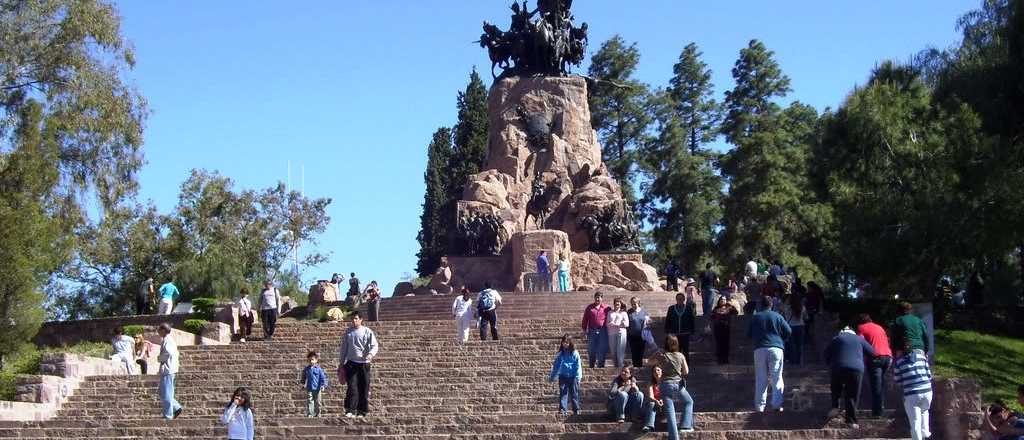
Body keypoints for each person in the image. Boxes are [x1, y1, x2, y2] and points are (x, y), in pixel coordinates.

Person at [824, 326, 876, 428]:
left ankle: (835, 406)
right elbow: (872, 352)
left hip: (837, 367)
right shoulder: (859, 339)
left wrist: (831, 364)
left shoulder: (836, 339)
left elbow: (826, 354)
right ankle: (851, 421)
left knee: (836, 387)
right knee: (852, 394)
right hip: (856, 368)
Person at [747, 299, 791, 412]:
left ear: (761, 305)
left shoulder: (756, 317)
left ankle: (760, 406)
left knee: (761, 378)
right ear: (771, 305)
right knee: (777, 377)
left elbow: (748, 334)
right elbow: (788, 331)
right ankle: (777, 405)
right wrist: (781, 340)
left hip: (760, 349)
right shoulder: (777, 316)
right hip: (776, 348)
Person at [648, 335, 695, 436]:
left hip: (665, 385)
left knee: (670, 413)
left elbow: (649, 361)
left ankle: (674, 438)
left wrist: (657, 353)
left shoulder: (662, 354)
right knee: (689, 402)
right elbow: (686, 371)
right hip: (678, 385)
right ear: (676, 343)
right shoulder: (680, 355)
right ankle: (685, 426)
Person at [338, 311, 379, 418]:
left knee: (364, 388)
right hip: (351, 364)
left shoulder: (367, 331)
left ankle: (362, 411)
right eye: (353, 318)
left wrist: (370, 354)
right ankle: (349, 410)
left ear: (361, 320)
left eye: (356, 318)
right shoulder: (348, 332)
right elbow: (344, 349)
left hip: (364, 364)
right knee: (352, 387)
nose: (354, 320)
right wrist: (341, 363)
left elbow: (374, 345)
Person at [892, 341, 933, 440]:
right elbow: (929, 375)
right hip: (927, 391)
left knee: (915, 421)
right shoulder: (922, 357)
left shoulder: (899, 363)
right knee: (924, 412)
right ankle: (926, 435)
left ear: (901, 350)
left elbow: (898, 381)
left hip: (912, 394)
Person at [856, 313, 893, 417]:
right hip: (888, 357)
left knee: (876, 385)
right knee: (880, 384)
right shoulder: (879, 327)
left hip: (876, 358)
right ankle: (881, 406)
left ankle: (877, 412)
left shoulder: (861, 328)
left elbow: (859, 343)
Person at [548, 334, 582, 417]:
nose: (565, 344)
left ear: (570, 343)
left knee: (574, 394)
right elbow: (556, 366)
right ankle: (563, 409)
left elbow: (578, 366)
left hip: (573, 376)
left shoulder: (575, 353)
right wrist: (552, 377)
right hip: (563, 376)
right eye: (564, 342)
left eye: (567, 342)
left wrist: (578, 377)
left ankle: (576, 409)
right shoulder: (560, 354)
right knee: (563, 393)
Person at [157, 323, 183, 420]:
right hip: (170, 369)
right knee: (164, 393)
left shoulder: (167, 340)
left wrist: (159, 359)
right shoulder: (168, 340)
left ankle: (168, 415)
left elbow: (167, 353)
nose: (158, 332)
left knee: (166, 393)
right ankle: (176, 407)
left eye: (159, 330)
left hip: (168, 370)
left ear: (163, 330)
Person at [664, 292, 696, 361]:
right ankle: (676, 365)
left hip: (685, 333)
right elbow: (668, 320)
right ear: (676, 300)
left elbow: (692, 320)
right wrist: (667, 331)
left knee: (685, 351)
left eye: (681, 299)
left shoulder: (688, 308)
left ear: (684, 299)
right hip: (674, 334)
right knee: (675, 351)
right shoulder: (671, 308)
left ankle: (686, 366)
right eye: (678, 299)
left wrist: (692, 331)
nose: (680, 300)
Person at [581, 292, 610, 368]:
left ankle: (601, 366)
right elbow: (585, 319)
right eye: (596, 297)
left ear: (602, 298)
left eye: (599, 297)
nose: (597, 299)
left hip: (603, 331)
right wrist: (584, 330)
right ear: (594, 298)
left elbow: (613, 314)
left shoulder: (606, 308)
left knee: (602, 349)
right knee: (591, 350)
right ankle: (591, 366)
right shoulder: (589, 308)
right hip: (592, 331)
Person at [710, 296, 739, 364]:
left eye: (724, 300)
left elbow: (736, 312)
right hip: (718, 328)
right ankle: (719, 359)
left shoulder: (729, 308)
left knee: (726, 344)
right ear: (719, 301)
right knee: (719, 344)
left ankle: (726, 359)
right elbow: (712, 316)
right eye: (722, 299)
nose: (723, 301)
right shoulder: (716, 309)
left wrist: (731, 305)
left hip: (726, 328)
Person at [781, 293, 808, 365]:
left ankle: (792, 361)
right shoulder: (802, 307)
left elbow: (782, 316)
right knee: (800, 345)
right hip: (801, 326)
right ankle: (799, 361)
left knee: (791, 344)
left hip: (790, 327)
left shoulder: (787, 308)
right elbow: (806, 318)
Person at [300, 351, 328, 418]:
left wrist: (323, 385)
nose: (311, 361)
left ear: (316, 360)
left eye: (312, 359)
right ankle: (310, 413)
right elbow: (303, 377)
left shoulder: (319, 369)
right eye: (309, 360)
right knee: (310, 401)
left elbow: (323, 378)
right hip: (309, 388)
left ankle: (318, 413)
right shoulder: (306, 369)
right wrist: (302, 384)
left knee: (318, 402)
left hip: (317, 388)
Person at [626, 296, 650, 368]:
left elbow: (647, 323)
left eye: (635, 303)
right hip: (632, 336)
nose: (633, 305)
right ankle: (635, 367)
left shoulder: (644, 312)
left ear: (638, 303)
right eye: (632, 303)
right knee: (634, 352)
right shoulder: (629, 312)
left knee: (640, 352)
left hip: (641, 336)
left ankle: (640, 367)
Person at [641, 365, 664, 433]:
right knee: (651, 403)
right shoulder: (651, 383)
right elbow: (651, 396)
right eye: (654, 371)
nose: (656, 372)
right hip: (654, 405)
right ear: (652, 374)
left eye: (658, 370)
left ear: (662, 371)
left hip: (664, 405)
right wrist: (656, 401)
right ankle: (649, 426)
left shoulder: (666, 382)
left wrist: (662, 400)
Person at [606, 298, 629, 368]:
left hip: (621, 333)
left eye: (618, 302)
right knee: (613, 352)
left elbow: (627, 324)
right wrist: (611, 324)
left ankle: (620, 367)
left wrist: (619, 324)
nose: (617, 304)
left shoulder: (624, 313)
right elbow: (607, 323)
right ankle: (616, 366)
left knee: (620, 352)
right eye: (616, 302)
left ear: (620, 304)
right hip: (611, 333)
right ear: (614, 303)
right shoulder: (610, 312)